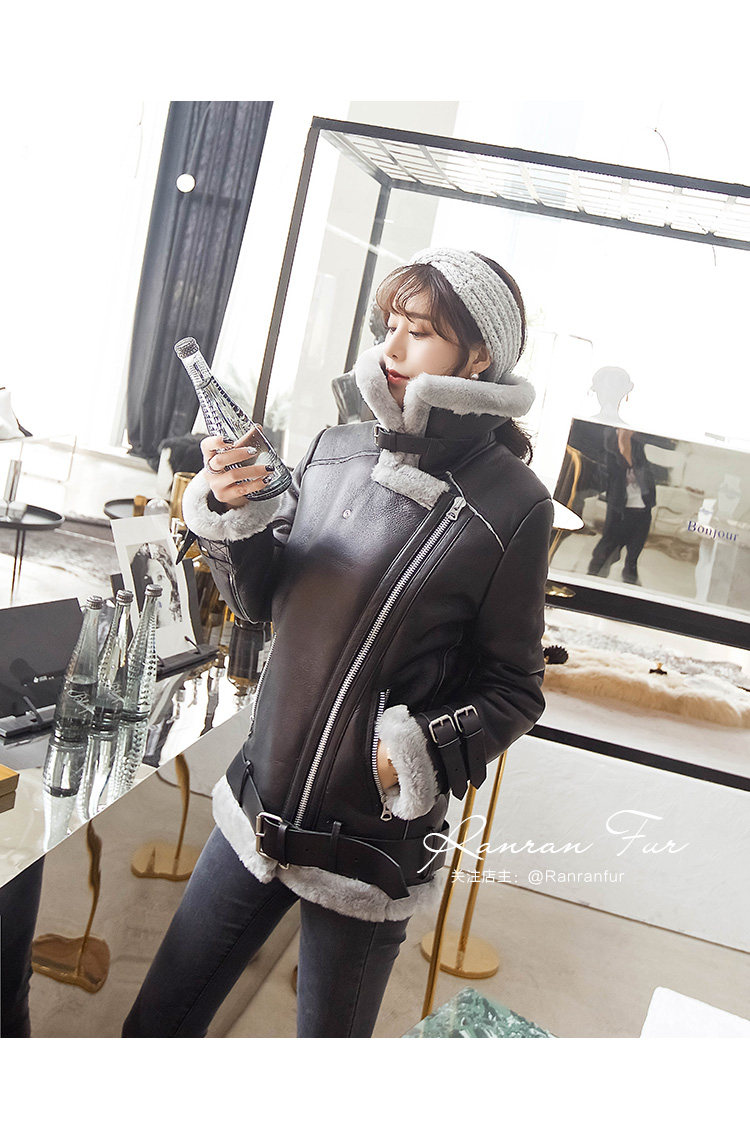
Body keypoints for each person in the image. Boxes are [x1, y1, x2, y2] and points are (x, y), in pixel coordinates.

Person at [123, 247, 554, 1038]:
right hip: (256, 807)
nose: (391, 348)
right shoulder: (335, 448)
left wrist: (408, 754)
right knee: (152, 1030)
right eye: (389, 325)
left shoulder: (514, 504)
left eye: (419, 331)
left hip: (369, 851)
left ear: (479, 355)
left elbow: (515, 687)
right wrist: (229, 512)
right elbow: (258, 602)